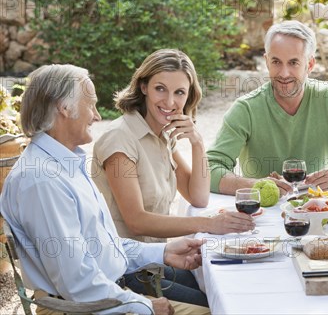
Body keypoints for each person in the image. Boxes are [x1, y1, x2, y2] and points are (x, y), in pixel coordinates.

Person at [0, 64, 209, 315]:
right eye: (91, 105)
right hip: (76, 307)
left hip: (104, 293)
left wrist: (163, 251)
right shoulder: (42, 181)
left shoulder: (65, 163)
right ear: (64, 108)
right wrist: (144, 304)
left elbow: (101, 247)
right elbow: (77, 282)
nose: (97, 116)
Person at [92, 49, 254, 305]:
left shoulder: (163, 135)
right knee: (214, 303)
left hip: (153, 261)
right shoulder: (120, 139)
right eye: (160, 89)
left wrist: (198, 143)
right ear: (143, 86)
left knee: (227, 285)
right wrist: (209, 224)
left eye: (179, 92)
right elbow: (136, 221)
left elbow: (198, 196)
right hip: (124, 269)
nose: (169, 101)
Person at [207, 20, 328, 195]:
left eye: (293, 63)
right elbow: (209, 169)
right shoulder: (245, 109)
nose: (284, 74)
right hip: (262, 213)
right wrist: (256, 186)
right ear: (267, 61)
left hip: (320, 209)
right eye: (276, 62)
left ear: (310, 65)